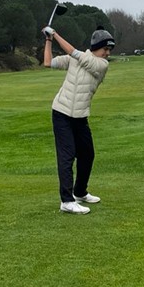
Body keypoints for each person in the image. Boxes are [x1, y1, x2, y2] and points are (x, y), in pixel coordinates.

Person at [42, 24, 114, 214]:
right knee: (67, 156)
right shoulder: (76, 59)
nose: (108, 53)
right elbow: (48, 63)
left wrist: (55, 34)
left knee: (87, 155)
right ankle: (67, 201)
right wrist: (48, 40)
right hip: (61, 112)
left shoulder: (102, 65)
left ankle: (79, 192)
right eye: (105, 48)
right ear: (96, 46)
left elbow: (75, 53)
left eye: (110, 50)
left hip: (80, 116)